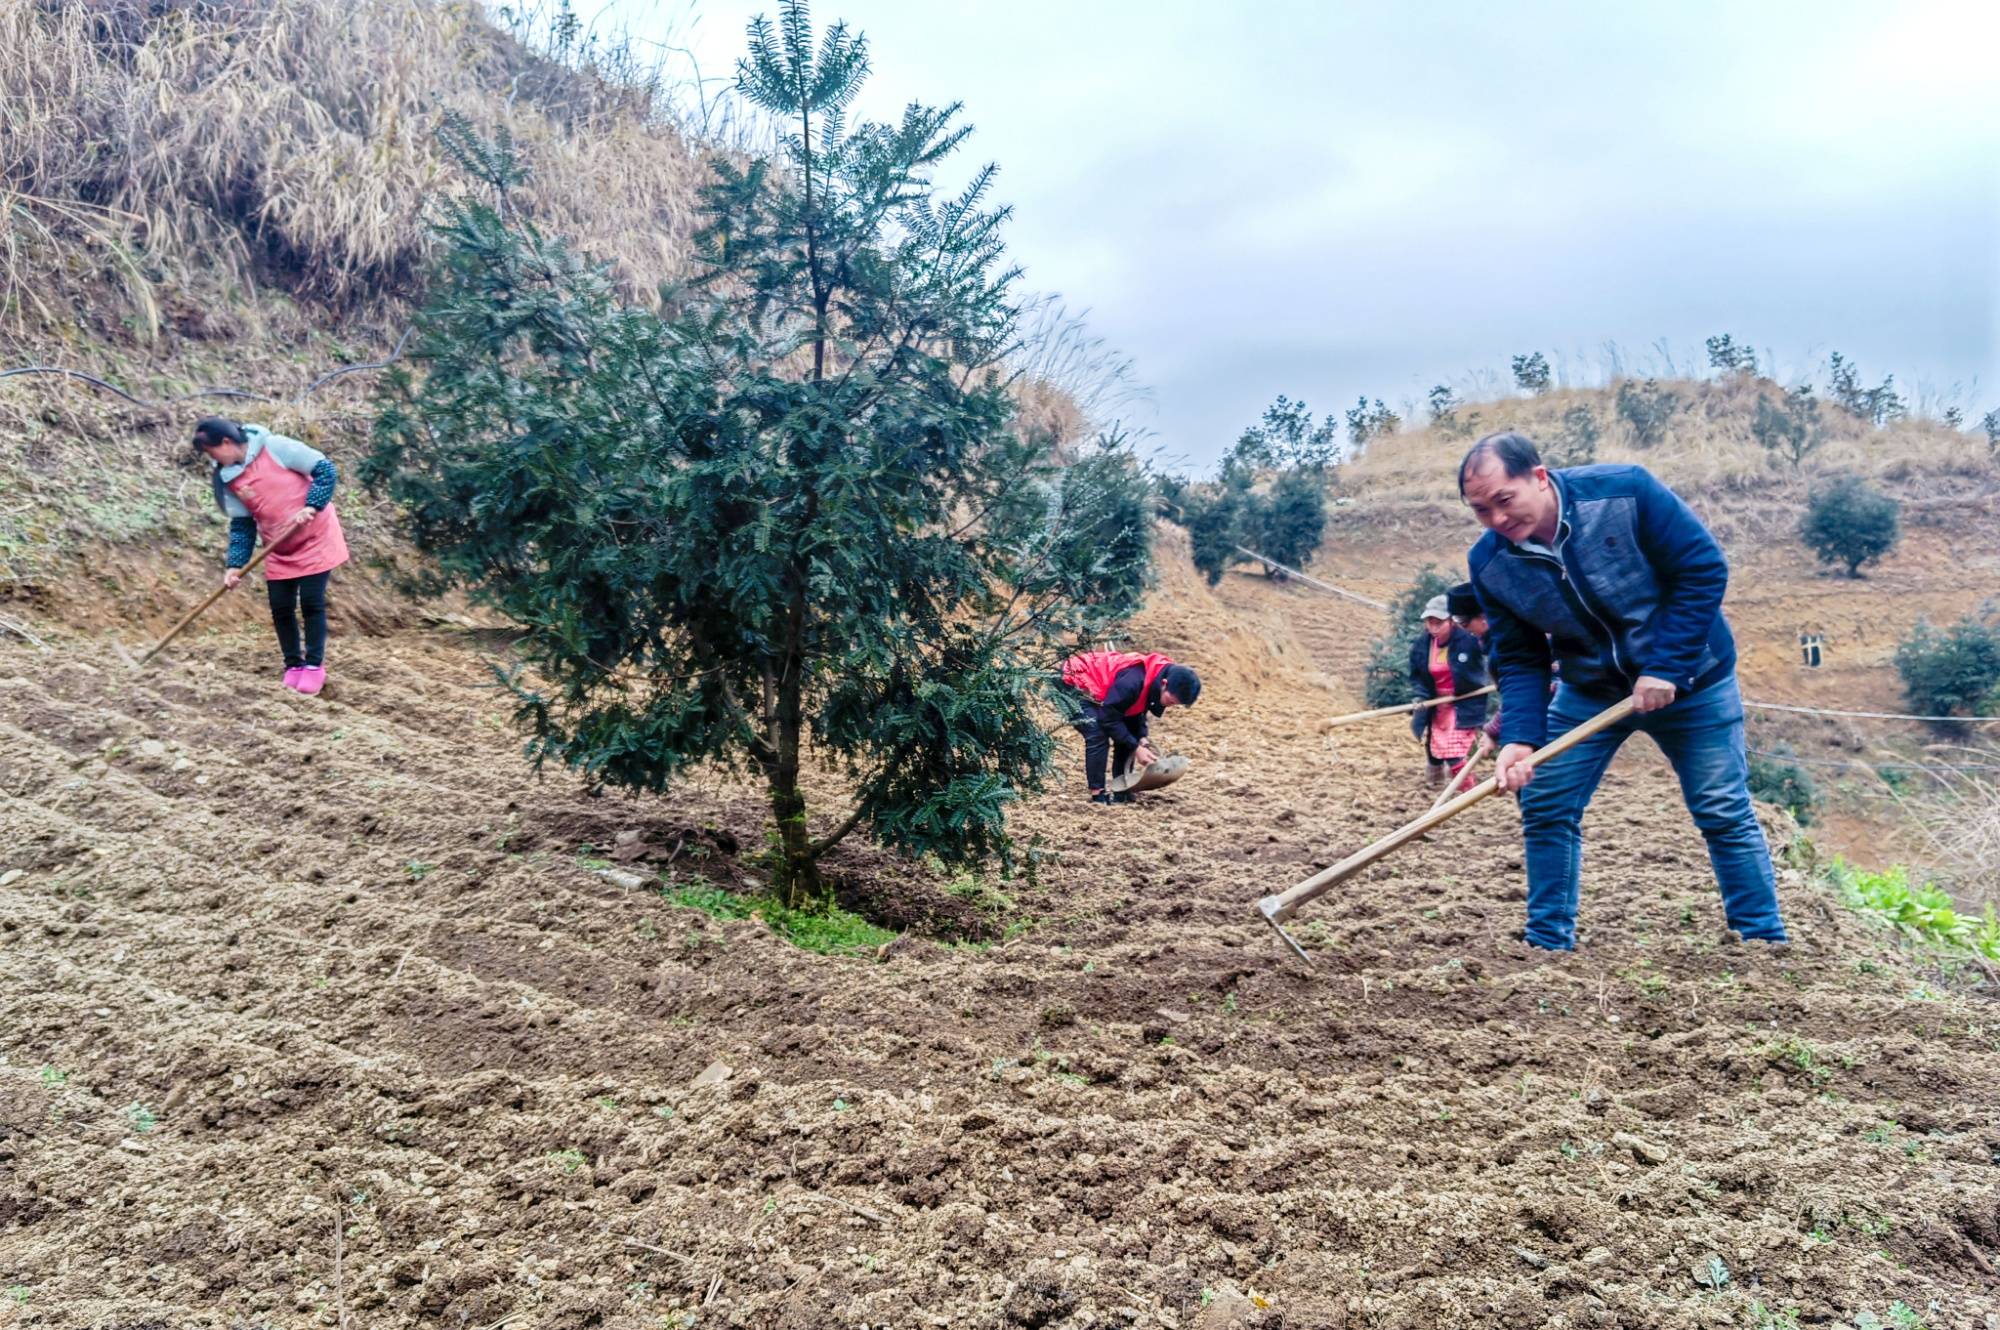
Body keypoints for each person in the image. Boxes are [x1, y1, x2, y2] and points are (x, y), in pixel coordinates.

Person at [1458, 431, 1788, 951]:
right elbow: (1521, 657)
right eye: (1481, 510)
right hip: (1589, 689)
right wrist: (1520, 737)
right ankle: (1547, 944)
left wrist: (1666, 667)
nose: (1497, 520)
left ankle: (1764, 941)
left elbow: (1702, 570)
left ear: (1539, 478)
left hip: (1694, 683)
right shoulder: (1491, 564)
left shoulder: (1625, 493)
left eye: (1505, 500)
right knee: (1545, 802)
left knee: (1720, 807)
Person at [191, 418, 350, 694]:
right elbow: (242, 524)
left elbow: (325, 469)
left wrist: (312, 505)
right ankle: (293, 665)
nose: (211, 458)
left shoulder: (275, 447)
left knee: (311, 602)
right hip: (278, 545)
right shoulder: (229, 479)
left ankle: (314, 666)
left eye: (211, 451)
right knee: (280, 606)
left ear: (226, 443)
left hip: (315, 536)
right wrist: (234, 565)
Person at [1058, 650, 1201, 804]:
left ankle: (1121, 790)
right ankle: (1098, 793)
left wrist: (1141, 740)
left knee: (1128, 737)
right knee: (1097, 733)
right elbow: (1108, 719)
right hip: (1073, 682)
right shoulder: (1133, 681)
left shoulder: (1155, 678)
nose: (1171, 706)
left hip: (1104, 695)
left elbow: (1136, 712)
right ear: (1164, 684)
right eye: (1172, 702)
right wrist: (1136, 748)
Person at [1409, 595, 1489, 785]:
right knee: (1434, 746)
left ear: (1451, 621)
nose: (1434, 628)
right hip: (1436, 703)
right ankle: (1433, 785)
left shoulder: (1468, 640)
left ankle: (1466, 790)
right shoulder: (1422, 645)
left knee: (1453, 750)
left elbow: (1490, 656)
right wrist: (1421, 696)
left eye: (1439, 623)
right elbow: (1418, 676)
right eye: (1430, 622)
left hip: (1463, 701)